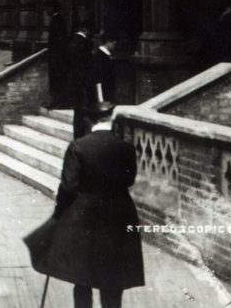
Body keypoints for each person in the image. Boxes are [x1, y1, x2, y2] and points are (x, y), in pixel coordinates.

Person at [24, 102, 144, 308]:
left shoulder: (78, 146)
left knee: (82, 276)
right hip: (119, 213)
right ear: (110, 120)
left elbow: (69, 186)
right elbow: (129, 179)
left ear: (90, 120)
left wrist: (59, 212)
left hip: (85, 215)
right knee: (113, 276)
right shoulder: (126, 147)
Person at [44, 0, 70, 109]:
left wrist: (57, 58)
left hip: (58, 58)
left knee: (58, 80)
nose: (46, 11)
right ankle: (56, 102)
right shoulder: (56, 20)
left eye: (47, 8)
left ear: (52, 8)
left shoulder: (57, 21)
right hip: (56, 57)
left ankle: (59, 102)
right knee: (55, 80)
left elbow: (60, 42)